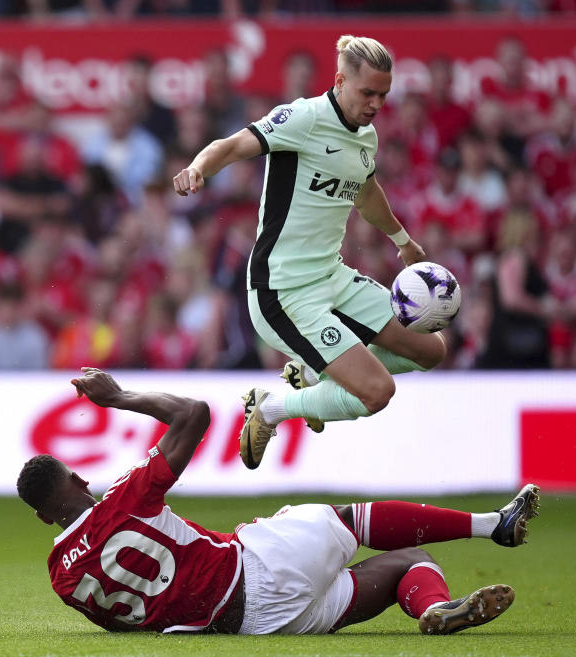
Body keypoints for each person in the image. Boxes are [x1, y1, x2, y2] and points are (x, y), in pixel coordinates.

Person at [17, 368, 541, 636]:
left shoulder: (61, 579)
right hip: (256, 570)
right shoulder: (121, 500)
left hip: (253, 625)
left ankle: (434, 609)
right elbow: (194, 414)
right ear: (81, 481)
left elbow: (128, 621)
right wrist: (118, 398)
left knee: (413, 564)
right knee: (348, 521)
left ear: (42, 516)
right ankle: (496, 524)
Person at [172, 35, 446, 470]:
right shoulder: (303, 118)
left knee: (432, 350)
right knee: (376, 392)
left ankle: (316, 373)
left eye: (383, 95)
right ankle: (273, 407)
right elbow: (231, 145)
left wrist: (403, 241)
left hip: (331, 278)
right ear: (339, 81)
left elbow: (367, 192)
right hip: (283, 292)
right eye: (368, 93)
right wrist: (197, 169)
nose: (376, 103)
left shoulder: (366, 137)